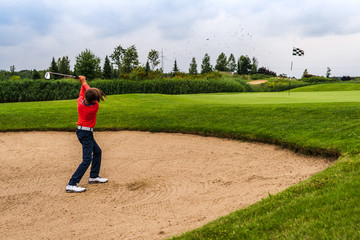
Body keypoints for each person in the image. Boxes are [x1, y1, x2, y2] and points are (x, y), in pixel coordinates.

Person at [66, 76, 108, 193]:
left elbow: (84, 92)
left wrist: (82, 83)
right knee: (86, 160)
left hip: (82, 132)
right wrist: (83, 82)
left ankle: (94, 176)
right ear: (95, 100)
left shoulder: (80, 102)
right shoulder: (94, 107)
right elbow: (88, 91)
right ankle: (72, 183)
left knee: (98, 152)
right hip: (85, 134)